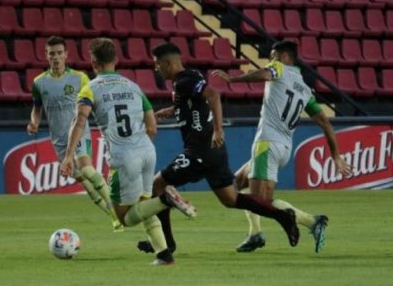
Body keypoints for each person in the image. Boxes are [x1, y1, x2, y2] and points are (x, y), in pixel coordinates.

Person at [137, 42, 300, 255]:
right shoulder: (188, 77)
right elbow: (194, 102)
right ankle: (283, 216)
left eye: (158, 64)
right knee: (230, 199)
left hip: (200, 151)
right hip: (213, 153)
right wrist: (170, 110)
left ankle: (166, 243)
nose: (156, 68)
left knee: (157, 185)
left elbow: (213, 95)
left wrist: (218, 130)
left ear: (168, 63)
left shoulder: (186, 80)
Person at [61, 38, 196, 266]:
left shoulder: (90, 89)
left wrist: (68, 155)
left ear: (93, 63)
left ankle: (166, 199)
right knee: (143, 207)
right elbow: (152, 126)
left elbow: (80, 120)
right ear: (116, 60)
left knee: (123, 217)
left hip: (124, 158)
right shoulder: (133, 86)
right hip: (146, 151)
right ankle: (164, 254)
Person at [212, 40, 353, 254]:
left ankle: (312, 221)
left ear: (284, 56)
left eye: (273, 55)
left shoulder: (278, 68)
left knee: (261, 202)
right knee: (238, 183)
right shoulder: (305, 90)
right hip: (284, 147)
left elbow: (265, 74)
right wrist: (336, 156)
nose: (271, 60)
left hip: (266, 144)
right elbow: (325, 123)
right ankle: (255, 233)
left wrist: (233, 78)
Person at [27, 35, 122, 232]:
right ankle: (113, 216)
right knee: (83, 181)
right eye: (52, 53)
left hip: (79, 132)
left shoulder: (80, 78)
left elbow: (95, 100)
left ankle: (116, 213)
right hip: (59, 140)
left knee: (87, 169)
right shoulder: (39, 83)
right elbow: (37, 108)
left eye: (59, 53)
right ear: (46, 55)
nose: (56, 57)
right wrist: (34, 122)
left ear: (66, 54)